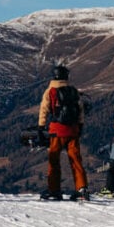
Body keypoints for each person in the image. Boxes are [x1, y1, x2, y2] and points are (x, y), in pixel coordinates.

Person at [37, 65, 88, 201]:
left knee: (54, 160)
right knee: (76, 160)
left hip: (56, 130)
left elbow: (44, 109)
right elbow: (81, 110)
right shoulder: (73, 91)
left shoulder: (51, 91)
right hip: (73, 130)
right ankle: (81, 189)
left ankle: (54, 190)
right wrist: (80, 126)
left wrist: (41, 127)